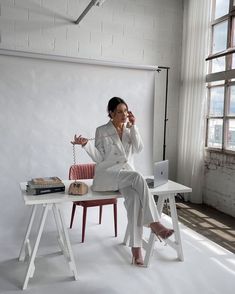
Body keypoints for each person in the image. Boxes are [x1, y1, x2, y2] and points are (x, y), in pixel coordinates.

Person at [71, 97, 174, 266]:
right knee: (138, 176)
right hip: (109, 175)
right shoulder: (101, 130)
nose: (124, 114)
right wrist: (85, 145)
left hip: (126, 176)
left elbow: (139, 148)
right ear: (111, 113)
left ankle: (136, 250)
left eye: (126, 111)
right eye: (119, 112)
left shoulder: (129, 129)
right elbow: (99, 158)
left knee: (134, 201)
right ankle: (155, 223)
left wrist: (134, 127)